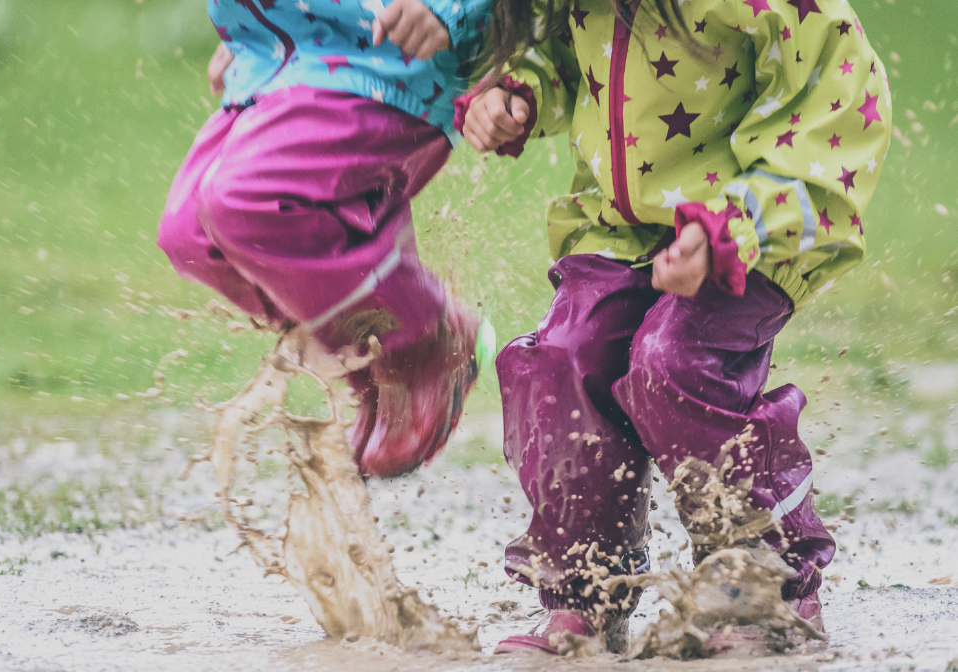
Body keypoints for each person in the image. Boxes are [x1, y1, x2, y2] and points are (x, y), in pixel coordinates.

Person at [456, 0, 891, 654]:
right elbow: (560, 53)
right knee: (562, 360)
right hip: (621, 227)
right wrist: (516, 90)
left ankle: (763, 580)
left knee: (672, 359)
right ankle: (588, 589)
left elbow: (832, 102)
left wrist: (731, 227)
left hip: (755, 226)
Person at [159, 0, 494, 477]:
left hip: (384, 58)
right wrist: (251, 26)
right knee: (189, 236)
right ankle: (374, 360)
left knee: (241, 201)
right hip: (280, 58)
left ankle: (426, 336)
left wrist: (447, 8)